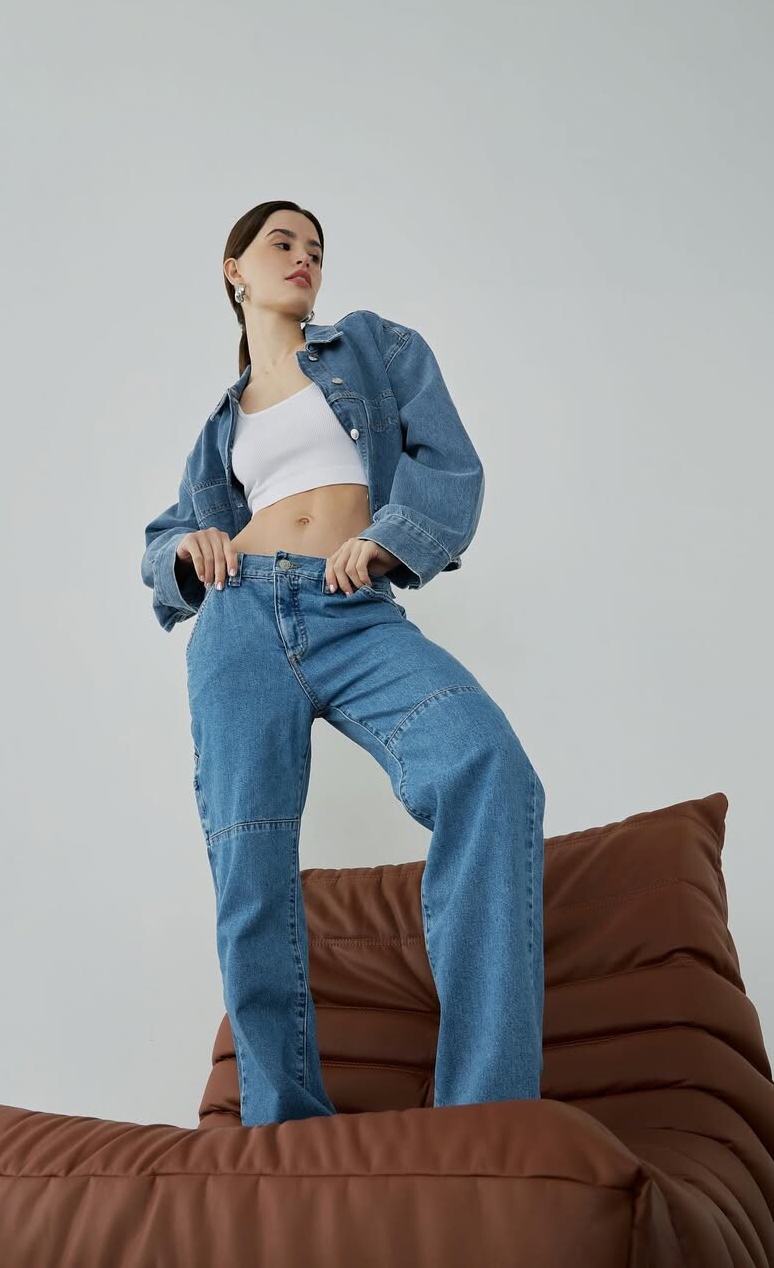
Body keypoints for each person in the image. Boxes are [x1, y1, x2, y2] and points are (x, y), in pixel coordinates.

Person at [141, 200, 546, 1128]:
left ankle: (483, 1116)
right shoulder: (219, 426)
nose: (304, 258)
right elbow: (164, 540)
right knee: (250, 865)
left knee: (489, 769)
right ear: (234, 270)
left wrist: (393, 538)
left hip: (352, 607)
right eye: (281, 243)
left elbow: (452, 465)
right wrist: (187, 550)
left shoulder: (372, 347)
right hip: (241, 622)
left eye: (316, 249)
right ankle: (284, 1132)